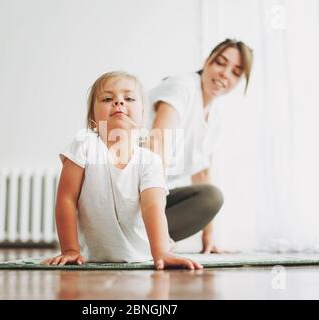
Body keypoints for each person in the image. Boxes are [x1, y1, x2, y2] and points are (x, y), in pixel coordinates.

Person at [42, 71, 203, 270]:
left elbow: (152, 206)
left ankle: (166, 243)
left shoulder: (149, 161)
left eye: (129, 98)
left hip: (141, 253)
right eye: (108, 98)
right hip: (91, 255)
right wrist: (69, 249)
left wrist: (160, 252)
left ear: (143, 116)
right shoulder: (84, 145)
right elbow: (66, 199)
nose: (118, 103)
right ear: (92, 116)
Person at [148, 39, 253, 253]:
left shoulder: (215, 114)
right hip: (127, 194)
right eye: (220, 63)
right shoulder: (182, 87)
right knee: (207, 196)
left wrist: (209, 237)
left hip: (151, 199)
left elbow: (201, 173)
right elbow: (158, 145)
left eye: (235, 72)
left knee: (210, 197)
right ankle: (138, 239)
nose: (225, 74)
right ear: (207, 61)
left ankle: (140, 239)